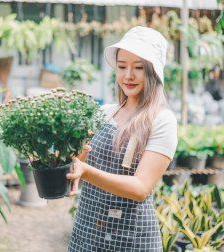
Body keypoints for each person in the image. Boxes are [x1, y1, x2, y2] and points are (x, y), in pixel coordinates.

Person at [67, 26, 178, 251]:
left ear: (154, 71)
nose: (128, 75)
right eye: (122, 66)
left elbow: (140, 188)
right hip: (87, 232)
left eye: (138, 67)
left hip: (131, 239)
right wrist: (74, 158)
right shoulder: (103, 113)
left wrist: (86, 172)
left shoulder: (162, 121)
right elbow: (79, 162)